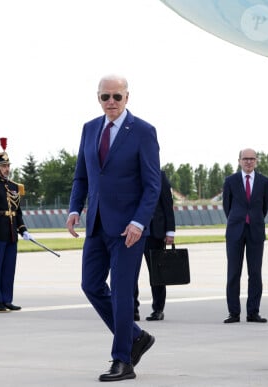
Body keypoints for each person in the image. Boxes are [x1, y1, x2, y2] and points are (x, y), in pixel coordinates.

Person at [66, 74, 160, 382]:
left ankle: (123, 360)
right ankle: (135, 336)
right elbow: (82, 175)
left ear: (127, 98)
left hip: (128, 230)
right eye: (104, 97)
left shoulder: (143, 132)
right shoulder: (90, 129)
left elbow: (152, 185)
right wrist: (73, 209)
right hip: (96, 225)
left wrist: (138, 222)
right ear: (98, 98)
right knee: (90, 285)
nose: (110, 102)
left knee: (121, 294)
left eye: (116, 97)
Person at [0, 137, 31, 312]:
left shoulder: (14, 186)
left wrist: (23, 229)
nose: (6, 168)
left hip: (11, 231)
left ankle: (7, 299)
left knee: (9, 267)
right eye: (3, 166)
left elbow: (17, 211)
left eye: (8, 165)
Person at [222, 148, 268, 324]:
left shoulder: (264, 182)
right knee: (234, 273)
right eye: (245, 159)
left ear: (256, 161)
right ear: (239, 161)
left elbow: (265, 207)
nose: (248, 162)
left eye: (252, 159)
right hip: (235, 231)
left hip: (256, 231)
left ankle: (253, 312)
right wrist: (239, 220)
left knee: (255, 273)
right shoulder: (230, 181)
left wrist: (253, 220)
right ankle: (233, 313)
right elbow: (227, 206)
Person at [134, 170, 175, 322]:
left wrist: (170, 230)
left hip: (154, 232)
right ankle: (132, 309)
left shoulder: (159, 175)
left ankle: (158, 309)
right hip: (132, 231)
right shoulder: (127, 172)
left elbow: (167, 202)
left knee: (157, 273)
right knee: (131, 273)